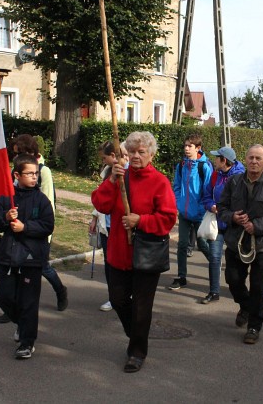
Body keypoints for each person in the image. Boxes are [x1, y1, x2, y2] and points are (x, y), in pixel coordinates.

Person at [91, 131, 177, 373]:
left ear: (151, 154)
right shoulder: (119, 177)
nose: (137, 156)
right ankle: (137, 334)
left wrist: (141, 220)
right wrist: (110, 182)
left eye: (142, 152)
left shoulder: (160, 181)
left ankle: (136, 352)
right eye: (133, 152)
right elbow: (100, 204)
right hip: (119, 251)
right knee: (118, 299)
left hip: (146, 255)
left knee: (141, 306)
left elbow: (168, 218)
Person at [217, 144, 263, 345]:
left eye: (258, 158)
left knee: (258, 287)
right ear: (245, 160)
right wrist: (233, 217)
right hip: (235, 243)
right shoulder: (234, 181)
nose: (254, 162)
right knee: (233, 280)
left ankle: (254, 326)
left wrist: (256, 226)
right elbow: (221, 208)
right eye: (251, 158)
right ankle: (246, 306)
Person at [0, 153, 54, 360]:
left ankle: (27, 342)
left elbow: (47, 225)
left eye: (36, 173)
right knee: (4, 297)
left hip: (32, 258)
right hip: (8, 256)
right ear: (17, 174)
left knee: (28, 302)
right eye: (29, 174)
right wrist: (5, 217)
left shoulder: (41, 199)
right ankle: (22, 324)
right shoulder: (6, 197)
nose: (34, 177)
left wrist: (25, 227)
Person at [8, 134, 68, 312]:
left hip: (38, 229)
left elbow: (48, 202)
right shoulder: (16, 170)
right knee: (18, 265)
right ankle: (13, 307)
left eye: (19, 153)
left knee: (42, 266)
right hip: (19, 227)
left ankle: (60, 290)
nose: (16, 157)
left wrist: (46, 233)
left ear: (29, 152)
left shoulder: (43, 171)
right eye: (15, 154)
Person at [200, 146, 245, 304]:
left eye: (217, 157)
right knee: (214, 257)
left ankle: (240, 292)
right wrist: (211, 205)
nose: (214, 160)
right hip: (217, 224)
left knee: (237, 262)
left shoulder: (241, 177)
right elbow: (206, 195)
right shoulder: (215, 175)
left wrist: (231, 213)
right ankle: (214, 292)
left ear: (224, 160)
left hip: (234, 226)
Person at [89, 141, 129, 312]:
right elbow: (101, 198)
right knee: (109, 263)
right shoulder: (107, 172)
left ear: (114, 156)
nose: (103, 161)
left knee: (123, 265)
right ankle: (113, 297)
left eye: (105, 158)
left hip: (122, 227)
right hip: (107, 227)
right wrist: (94, 217)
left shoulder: (129, 173)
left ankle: (126, 295)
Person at [169, 134, 213, 290]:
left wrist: (202, 208)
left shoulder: (204, 166)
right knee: (182, 244)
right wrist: (178, 203)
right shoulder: (181, 165)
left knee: (202, 244)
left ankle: (215, 264)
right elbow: (177, 185)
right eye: (185, 145)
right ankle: (181, 277)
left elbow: (209, 190)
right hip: (184, 213)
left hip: (200, 214)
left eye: (190, 146)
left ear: (198, 148)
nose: (186, 148)